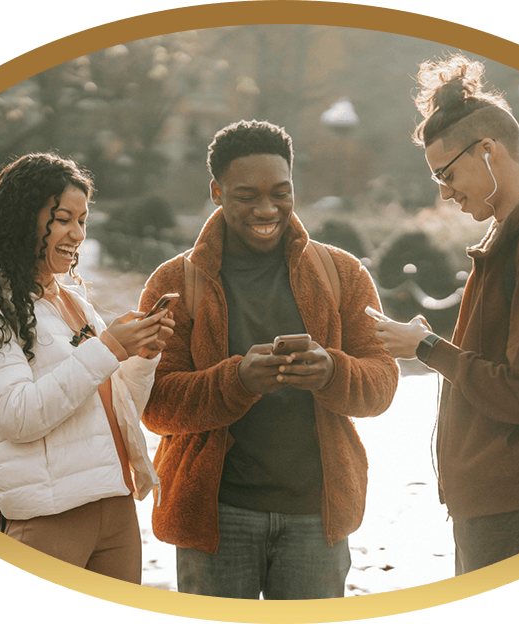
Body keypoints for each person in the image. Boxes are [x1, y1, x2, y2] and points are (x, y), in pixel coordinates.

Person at [138, 120, 399, 599]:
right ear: (216, 192)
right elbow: (154, 404)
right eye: (246, 195)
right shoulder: (174, 282)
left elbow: (382, 383)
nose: (266, 209)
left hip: (317, 518)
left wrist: (332, 371)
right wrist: (235, 380)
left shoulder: (342, 272)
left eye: (281, 192)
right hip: (215, 517)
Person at [371, 55, 519, 574]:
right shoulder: (511, 234)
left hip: (516, 503)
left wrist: (425, 349)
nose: (445, 191)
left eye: (447, 173)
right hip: (496, 497)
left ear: (488, 150)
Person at [0, 152, 174, 583]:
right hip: (50, 516)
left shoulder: (75, 303)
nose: (77, 234)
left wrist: (142, 358)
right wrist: (108, 348)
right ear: (23, 220)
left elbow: (118, 409)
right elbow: (19, 416)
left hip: (116, 505)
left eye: (83, 220)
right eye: (63, 218)